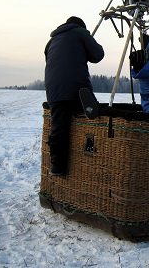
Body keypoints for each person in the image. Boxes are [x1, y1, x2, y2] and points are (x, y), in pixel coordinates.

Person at [44, 16, 104, 177]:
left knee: (59, 125)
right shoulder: (80, 32)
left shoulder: (51, 41)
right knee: (91, 116)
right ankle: (90, 156)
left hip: (53, 90)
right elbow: (98, 55)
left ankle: (57, 166)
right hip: (77, 87)